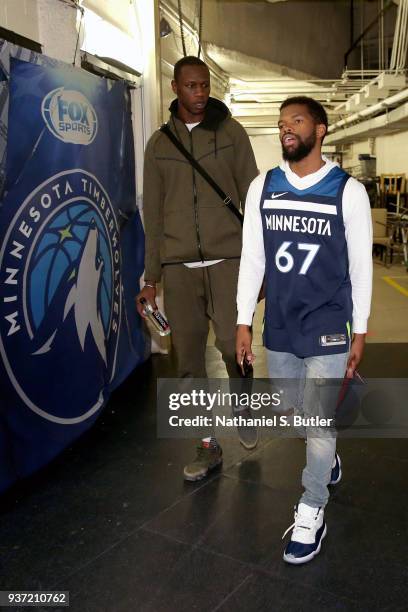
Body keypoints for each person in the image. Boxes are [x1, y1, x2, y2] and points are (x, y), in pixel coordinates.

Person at [236, 96, 372, 564]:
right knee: (296, 409)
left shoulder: (347, 192)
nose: (285, 129)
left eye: (296, 121)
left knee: (317, 420)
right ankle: (327, 456)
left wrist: (362, 331)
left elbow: (360, 268)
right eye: (281, 123)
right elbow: (253, 258)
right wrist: (242, 319)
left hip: (330, 321)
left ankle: (312, 506)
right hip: (282, 323)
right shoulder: (263, 187)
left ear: (321, 129)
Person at [137, 56, 258, 481]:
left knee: (231, 345)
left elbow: (254, 201)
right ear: (175, 88)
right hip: (179, 267)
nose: (201, 92)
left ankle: (244, 406)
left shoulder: (230, 133)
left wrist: (261, 266)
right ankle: (207, 445)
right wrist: (150, 278)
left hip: (229, 260)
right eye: (191, 86)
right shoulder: (159, 145)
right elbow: (152, 213)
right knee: (187, 362)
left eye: (205, 85)